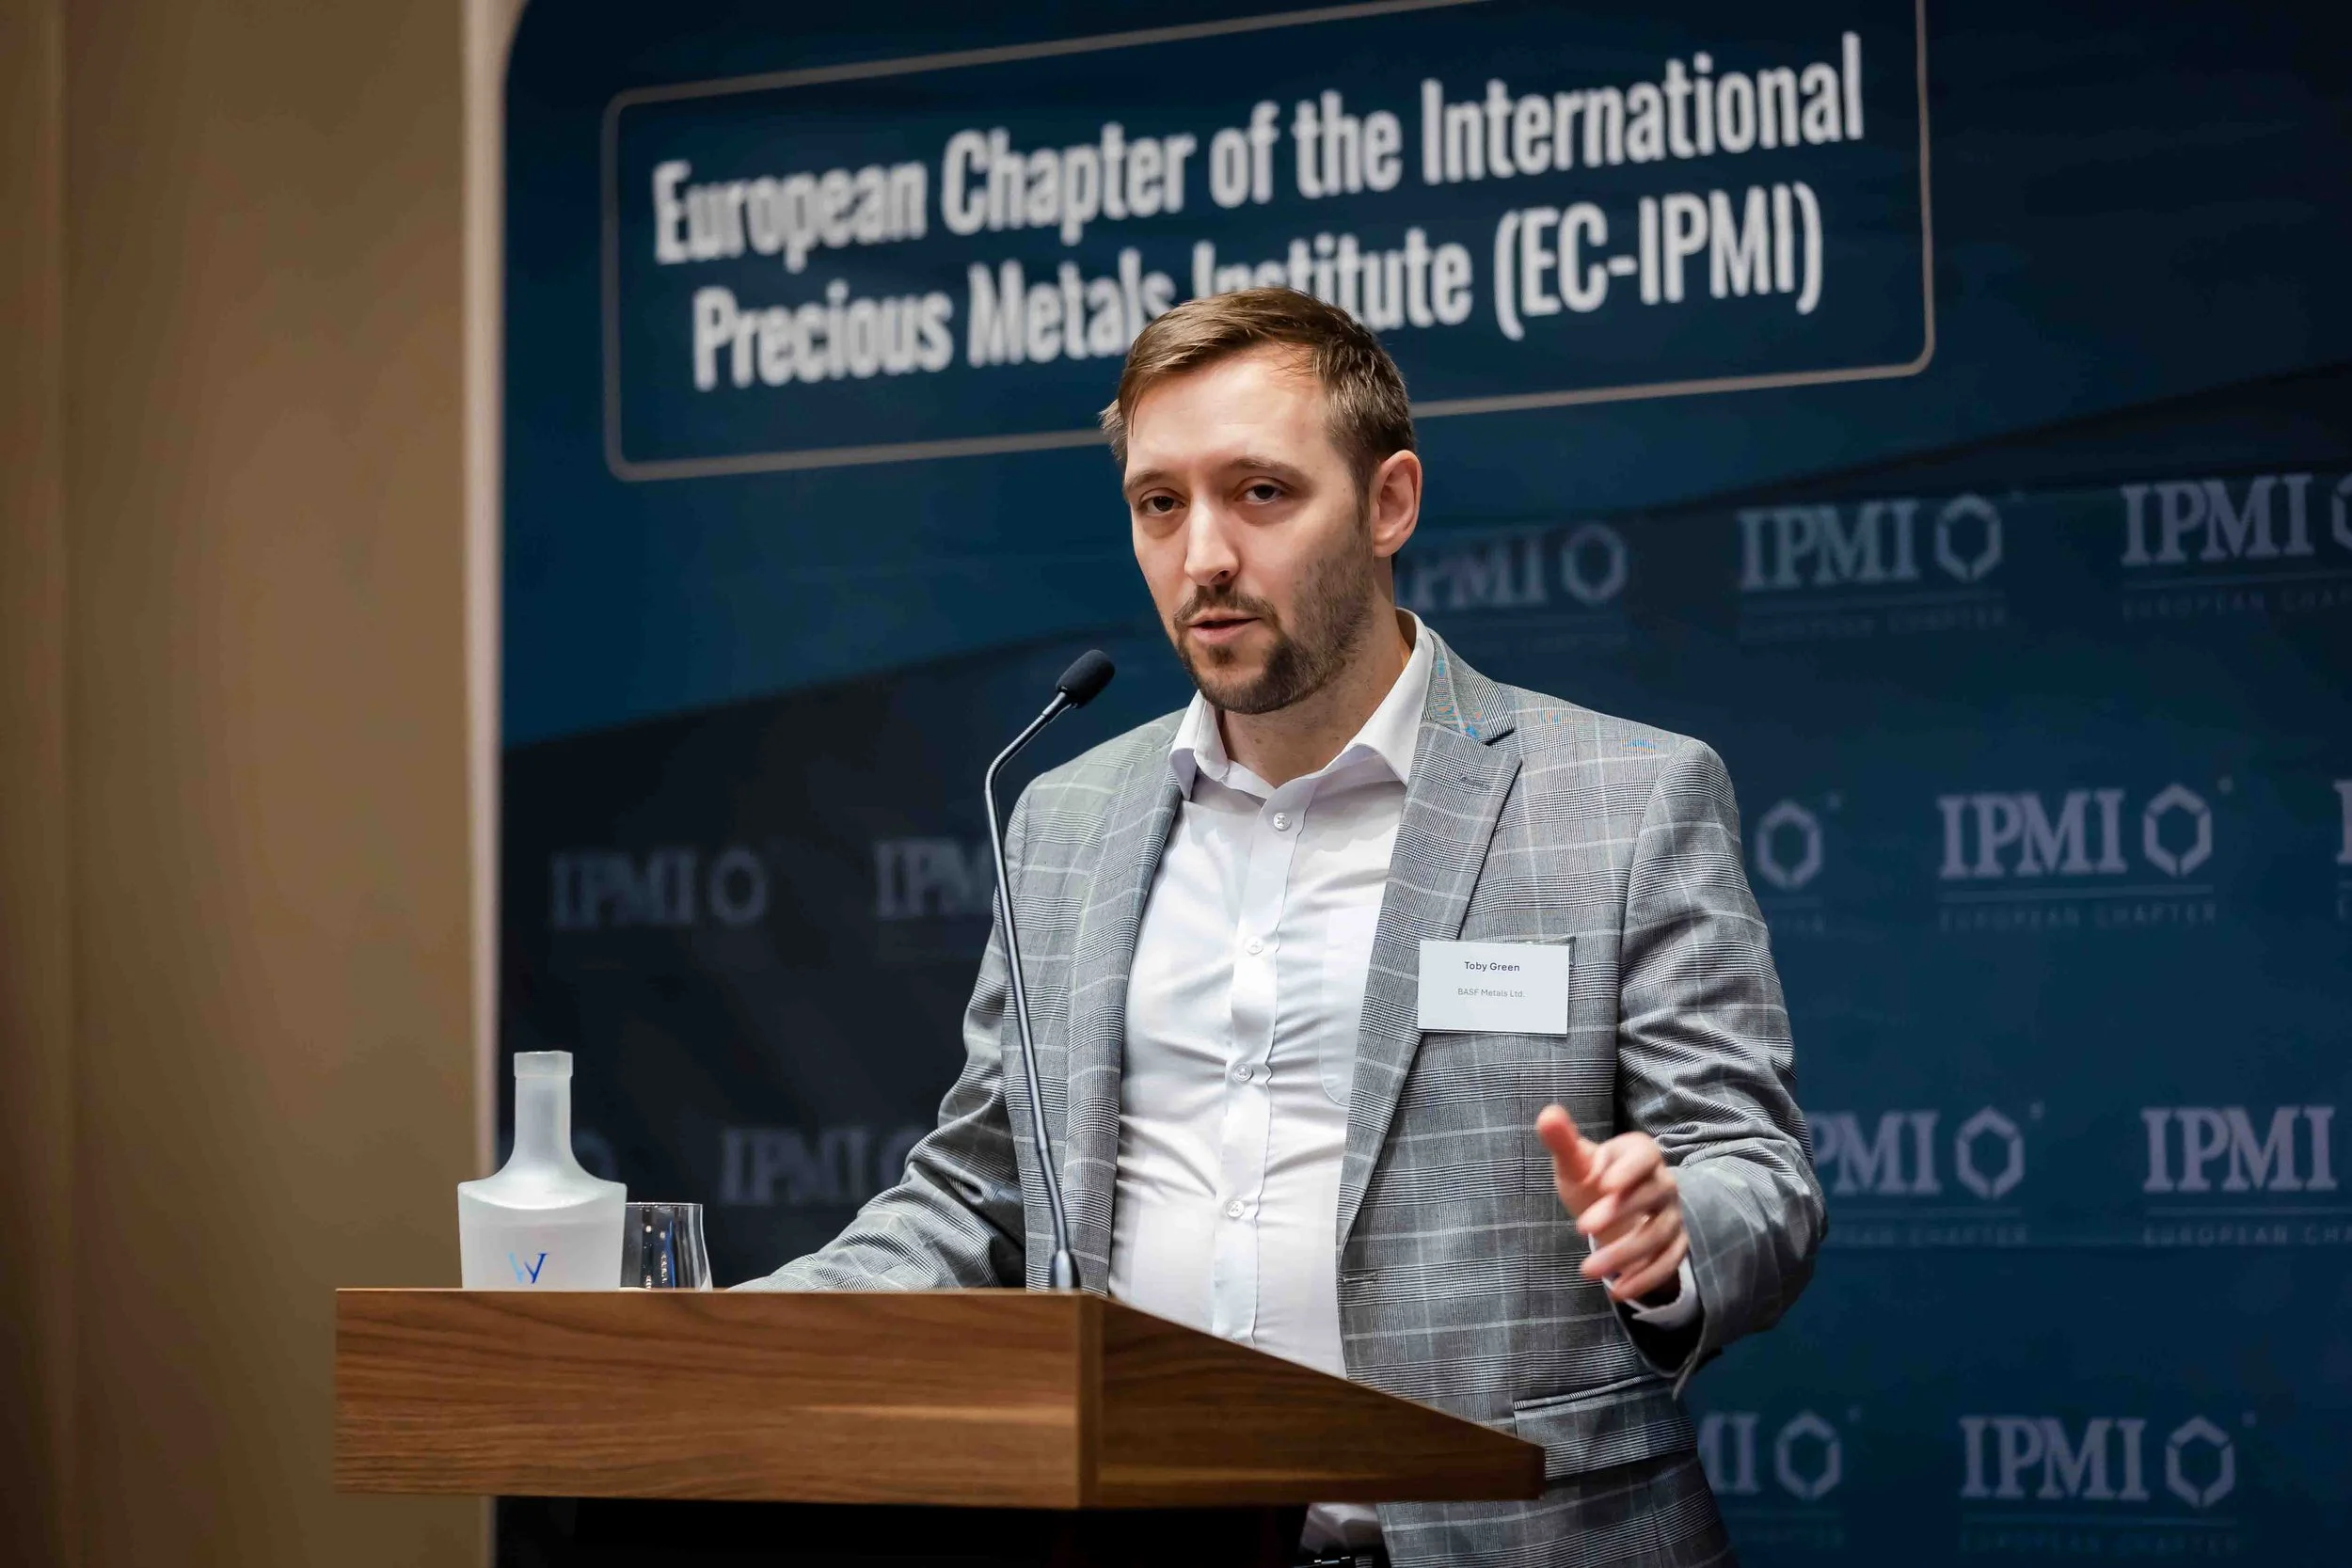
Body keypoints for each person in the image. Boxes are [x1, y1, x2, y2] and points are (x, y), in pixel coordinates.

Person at [751, 288, 1823, 1568]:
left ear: (1388, 503)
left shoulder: (1620, 801)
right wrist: (733, 1336)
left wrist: (1673, 1230)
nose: (1203, 554)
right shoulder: (1065, 821)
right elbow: (983, 1192)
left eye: (1260, 492)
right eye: (1160, 503)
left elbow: (1755, 1173)